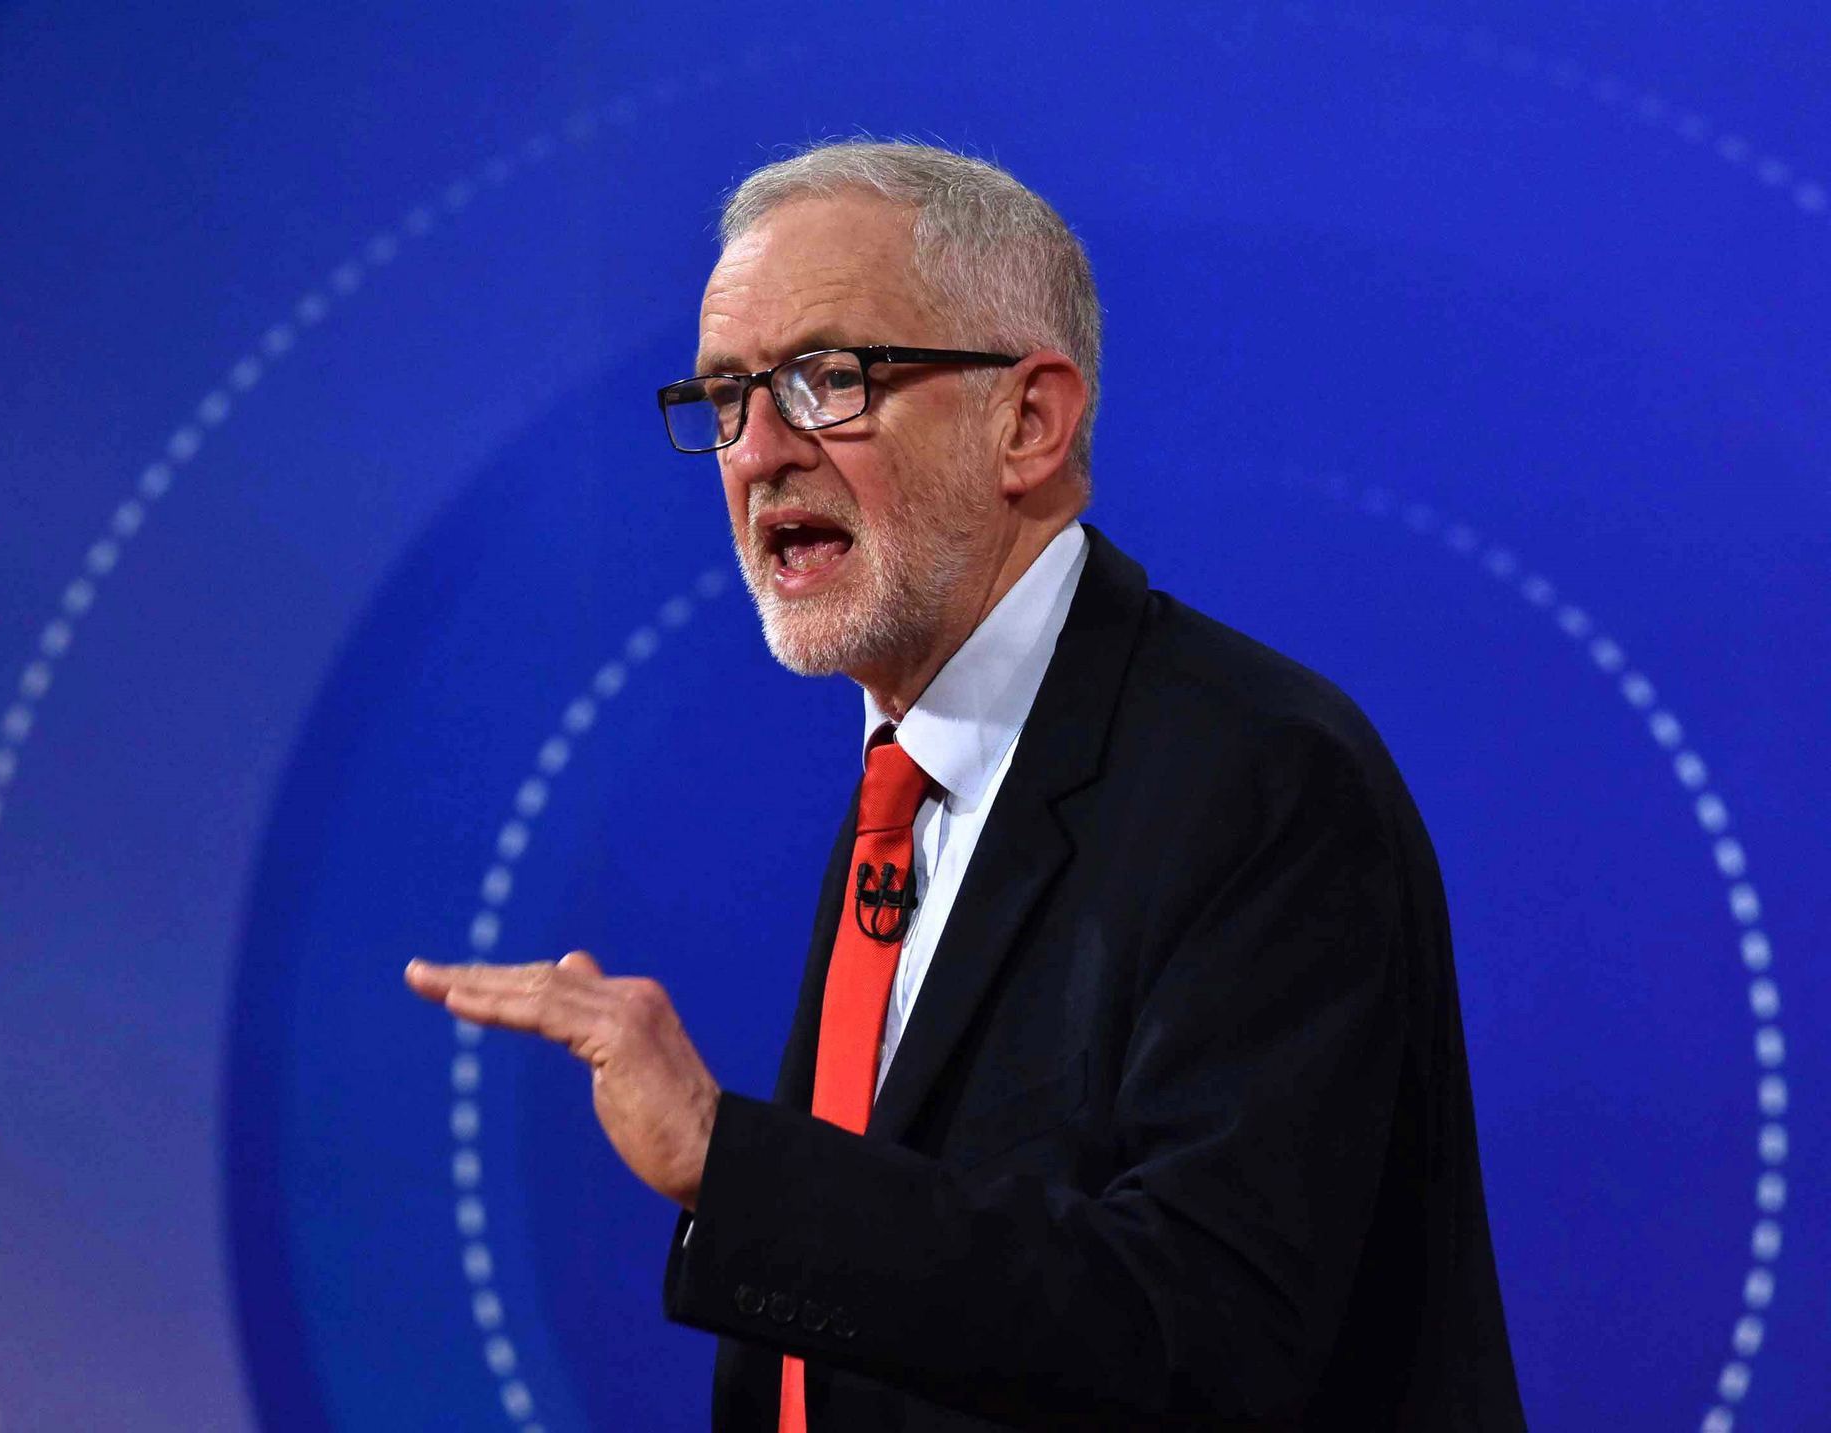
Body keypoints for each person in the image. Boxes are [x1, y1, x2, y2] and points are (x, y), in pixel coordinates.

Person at [406, 139, 1525, 1430]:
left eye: (828, 379)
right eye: (725, 396)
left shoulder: (1260, 775)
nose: (759, 449)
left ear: (1029, 420)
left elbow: (1207, 1328)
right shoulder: (914, 770)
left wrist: (733, 1161)